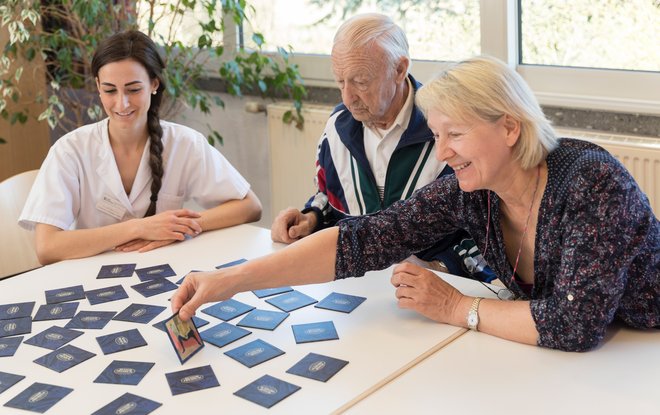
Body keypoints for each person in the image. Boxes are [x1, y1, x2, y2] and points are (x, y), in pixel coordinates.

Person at [173, 55, 659, 352]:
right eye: (438, 134)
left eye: (456, 134)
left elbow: (575, 325)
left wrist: (455, 306)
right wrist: (229, 280)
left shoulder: (591, 182)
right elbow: (364, 239)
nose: (442, 151)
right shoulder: (474, 189)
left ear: (510, 128)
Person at [270, 13, 493, 280]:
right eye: (340, 81)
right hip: (356, 285)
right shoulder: (338, 126)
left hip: (436, 291)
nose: (347, 97)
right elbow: (329, 195)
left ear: (399, 70)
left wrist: (444, 268)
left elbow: (492, 229)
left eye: (361, 82)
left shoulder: (448, 131)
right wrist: (311, 217)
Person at [19, 31, 262, 265]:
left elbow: (250, 206)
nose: (121, 103)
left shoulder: (184, 143)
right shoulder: (70, 150)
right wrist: (139, 227)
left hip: (164, 270)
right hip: (91, 277)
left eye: (133, 89)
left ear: (154, 84)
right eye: (110, 90)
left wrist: (174, 228)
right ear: (97, 86)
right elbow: (47, 247)